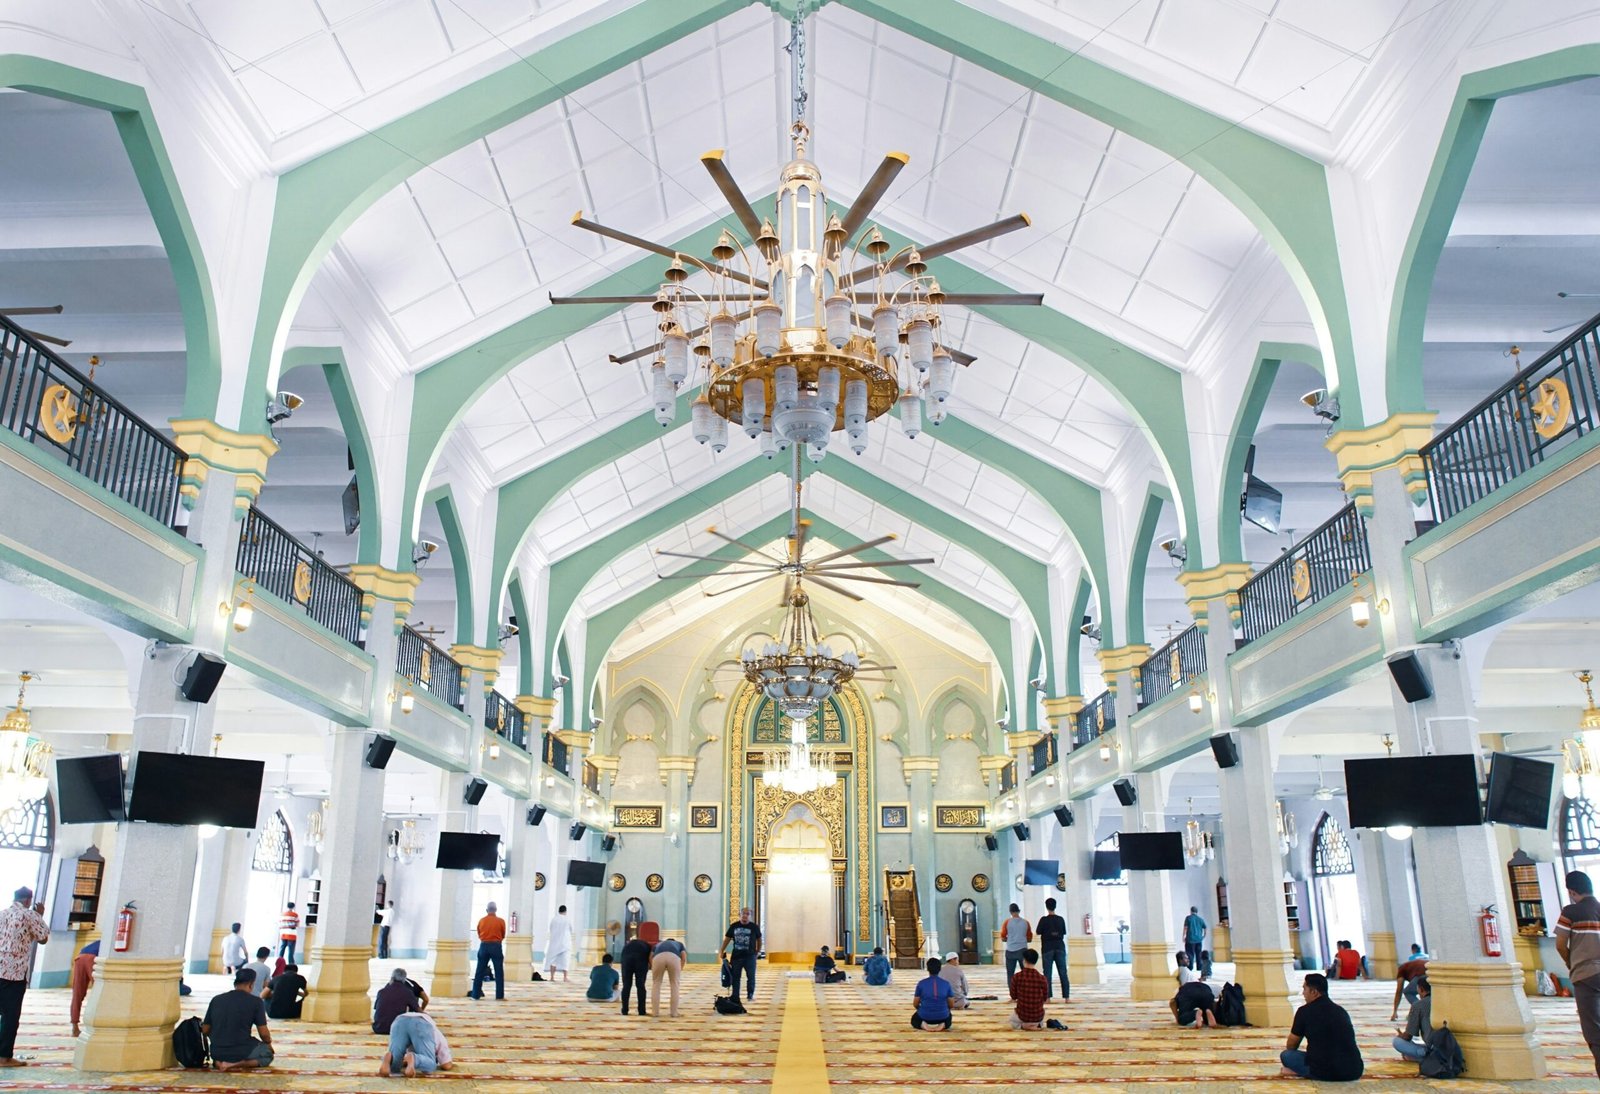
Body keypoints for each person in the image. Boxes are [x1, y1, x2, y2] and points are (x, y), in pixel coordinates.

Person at [1280, 973, 1363, 1082]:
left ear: (1314, 992)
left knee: (1287, 1055)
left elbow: (1291, 1046)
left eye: (1305, 989)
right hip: (1353, 1070)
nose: (1303, 993)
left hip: (1324, 1071)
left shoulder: (1304, 1011)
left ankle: (1302, 1072)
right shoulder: (1340, 1011)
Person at [1557, 868, 1600, 1077]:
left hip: (1585, 974)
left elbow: (1560, 944)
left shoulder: (1571, 911)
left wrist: (1569, 962)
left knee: (1593, 1030)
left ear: (1572, 892)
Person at [0, 886, 46, 1068]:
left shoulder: (2, 914)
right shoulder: (30, 915)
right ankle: (4, 1057)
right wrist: (40, 915)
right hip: (14, 974)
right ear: (28, 900)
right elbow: (43, 938)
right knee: (10, 1016)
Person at [202, 968, 274, 1072]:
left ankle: (218, 1062)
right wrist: (268, 1044)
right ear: (251, 984)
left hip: (216, 1051)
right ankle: (234, 1064)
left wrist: (219, 1040)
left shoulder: (217, 999)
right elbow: (264, 1034)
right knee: (267, 1055)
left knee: (223, 1053)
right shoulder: (256, 1002)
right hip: (241, 1050)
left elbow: (205, 1029)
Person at [378, 1011, 454, 1078]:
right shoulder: (436, 1032)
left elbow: (405, 1057)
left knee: (395, 1066)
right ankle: (415, 1059)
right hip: (420, 1025)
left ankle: (389, 1058)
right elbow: (446, 1065)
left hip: (398, 1022)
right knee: (430, 1065)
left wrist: (406, 1062)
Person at [718, 906, 762, 1003]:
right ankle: (735, 995)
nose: (745, 916)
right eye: (743, 914)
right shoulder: (734, 926)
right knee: (736, 977)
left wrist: (757, 951)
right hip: (736, 957)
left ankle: (750, 995)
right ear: (739, 915)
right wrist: (721, 950)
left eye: (747, 914)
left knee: (751, 977)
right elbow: (727, 939)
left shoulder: (754, 927)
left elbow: (759, 939)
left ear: (750, 916)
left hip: (750, 957)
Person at [469, 901, 506, 1000]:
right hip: (496, 946)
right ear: (496, 910)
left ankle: (475, 995)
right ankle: (499, 996)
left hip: (484, 946)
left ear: (486, 910)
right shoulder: (501, 921)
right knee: (499, 972)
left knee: (479, 971)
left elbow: (479, 933)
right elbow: (503, 935)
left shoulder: (482, 921)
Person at [1392, 975, 1432, 1064]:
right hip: (1448, 1045)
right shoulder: (1443, 1001)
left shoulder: (1418, 1005)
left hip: (1431, 1047)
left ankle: (1424, 1057)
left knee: (1397, 1042)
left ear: (1421, 989)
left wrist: (1400, 1035)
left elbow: (1408, 1036)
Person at [1036, 897, 1068, 1001]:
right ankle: (1067, 997)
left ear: (1046, 907)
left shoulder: (1043, 920)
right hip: (1060, 947)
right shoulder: (1060, 919)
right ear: (1055, 906)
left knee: (1047, 973)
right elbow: (1063, 932)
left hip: (1047, 948)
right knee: (1063, 972)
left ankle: (1048, 997)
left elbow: (1038, 931)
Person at [1008, 947, 1048, 1030]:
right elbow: (1045, 997)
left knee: (1012, 1021)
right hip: (1038, 1016)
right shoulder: (1042, 978)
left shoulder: (1017, 977)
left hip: (1022, 1015)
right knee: (1041, 1020)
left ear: (1024, 960)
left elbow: (1013, 996)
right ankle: (1036, 1025)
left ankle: (1023, 1026)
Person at [373, 967, 420, 1034]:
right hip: (397, 1029)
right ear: (404, 979)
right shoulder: (407, 992)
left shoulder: (381, 991)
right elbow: (418, 1010)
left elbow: (376, 1009)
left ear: (392, 978)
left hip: (378, 1028)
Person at [912, 956, 954, 1031]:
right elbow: (951, 1004)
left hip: (924, 1016)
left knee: (914, 1020)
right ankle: (943, 1024)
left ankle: (923, 1024)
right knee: (949, 1018)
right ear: (940, 969)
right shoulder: (946, 984)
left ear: (928, 969)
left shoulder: (921, 983)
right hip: (942, 1016)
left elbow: (915, 1004)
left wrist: (922, 1009)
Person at [650, 935, 685, 1017]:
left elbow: (651, 956)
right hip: (674, 957)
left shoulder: (658, 944)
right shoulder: (679, 944)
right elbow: (683, 957)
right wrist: (680, 968)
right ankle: (674, 1013)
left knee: (656, 984)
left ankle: (655, 1012)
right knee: (674, 984)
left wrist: (653, 967)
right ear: (674, 940)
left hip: (658, 957)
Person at [69, 939, 98, 1038]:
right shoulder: (110, 943)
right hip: (93, 958)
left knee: (77, 993)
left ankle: (74, 1027)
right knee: (99, 994)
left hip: (80, 957)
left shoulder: (100, 941)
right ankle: (95, 1026)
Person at [1388, 952, 1429, 1022]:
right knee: (1426, 993)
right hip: (1432, 971)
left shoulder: (1401, 970)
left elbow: (1399, 991)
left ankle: (1422, 1009)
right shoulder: (1410, 966)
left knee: (1408, 992)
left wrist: (1395, 1011)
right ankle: (1421, 1010)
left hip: (1421, 974)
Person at [620, 934, 652, 1014]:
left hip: (626, 960)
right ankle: (641, 1011)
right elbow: (650, 958)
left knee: (626, 985)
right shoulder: (647, 946)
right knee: (640, 985)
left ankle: (625, 1010)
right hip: (641, 960)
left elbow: (622, 957)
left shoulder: (627, 945)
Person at [1001, 903, 1032, 986]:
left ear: (1010, 912)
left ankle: (1013, 996)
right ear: (1019, 911)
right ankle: (1026, 992)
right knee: (1026, 973)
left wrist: (1010, 938)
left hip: (1010, 951)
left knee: (1010, 974)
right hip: (1023, 950)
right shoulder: (1026, 923)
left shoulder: (1007, 922)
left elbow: (1003, 937)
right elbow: (1029, 938)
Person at [545, 905, 573, 982]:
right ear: (565, 911)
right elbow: (571, 930)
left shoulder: (554, 919)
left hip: (554, 942)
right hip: (565, 943)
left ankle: (552, 977)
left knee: (553, 961)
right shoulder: (567, 920)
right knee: (565, 960)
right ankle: (565, 977)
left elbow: (551, 929)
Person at [1182, 906, 1207, 973]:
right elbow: (1205, 927)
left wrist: (1183, 936)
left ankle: (1190, 967)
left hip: (1190, 939)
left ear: (1191, 911)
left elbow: (1185, 928)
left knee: (1190, 953)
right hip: (1199, 939)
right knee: (1198, 953)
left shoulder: (1188, 918)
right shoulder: (1200, 919)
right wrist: (1204, 935)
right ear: (1197, 911)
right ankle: (1199, 967)